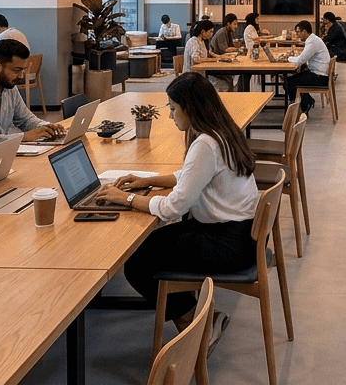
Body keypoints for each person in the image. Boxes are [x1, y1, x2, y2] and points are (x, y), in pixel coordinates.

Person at [94, 72, 257, 356]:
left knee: (136, 262)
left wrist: (127, 199)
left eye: (172, 107)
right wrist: (148, 181)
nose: (170, 115)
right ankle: (203, 318)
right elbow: (193, 176)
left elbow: (173, 208)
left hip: (226, 244)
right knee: (148, 247)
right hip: (238, 234)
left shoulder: (205, 143)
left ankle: (198, 324)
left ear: (189, 108)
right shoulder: (222, 132)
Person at [284, 20, 330, 115]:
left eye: (298, 32)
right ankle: (306, 101)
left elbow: (300, 60)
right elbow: (303, 58)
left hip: (320, 77)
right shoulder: (312, 39)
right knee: (293, 79)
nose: (297, 35)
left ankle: (300, 107)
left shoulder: (312, 42)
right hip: (318, 74)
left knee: (289, 82)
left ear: (304, 31)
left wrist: (288, 58)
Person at [184, 20, 232, 91]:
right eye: (210, 31)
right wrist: (216, 60)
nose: (211, 34)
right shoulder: (193, 41)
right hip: (193, 75)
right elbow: (196, 59)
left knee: (228, 79)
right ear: (203, 31)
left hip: (201, 73)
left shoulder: (201, 41)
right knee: (225, 83)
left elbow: (210, 53)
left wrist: (222, 57)